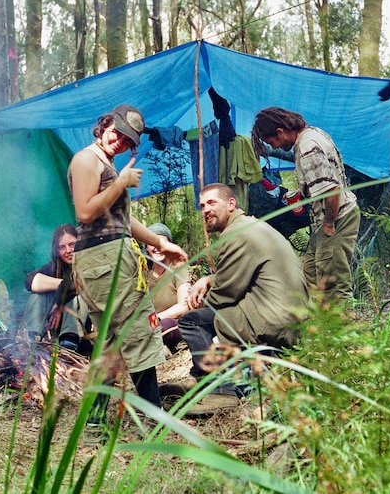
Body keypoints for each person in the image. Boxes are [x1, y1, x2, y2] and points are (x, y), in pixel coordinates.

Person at [68, 104, 188, 443]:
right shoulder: (86, 160)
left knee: (112, 342)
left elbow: (122, 221)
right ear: (105, 124)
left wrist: (160, 243)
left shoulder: (105, 163)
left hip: (108, 256)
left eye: (127, 139)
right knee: (138, 330)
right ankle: (154, 420)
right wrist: (120, 182)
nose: (119, 140)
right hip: (104, 258)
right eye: (116, 131)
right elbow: (86, 211)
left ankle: (93, 425)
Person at [177, 183, 309, 415]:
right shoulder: (251, 225)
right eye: (202, 206)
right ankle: (199, 377)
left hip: (273, 321)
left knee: (193, 321)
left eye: (212, 203)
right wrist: (209, 279)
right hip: (292, 317)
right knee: (210, 315)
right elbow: (240, 274)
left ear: (231, 204)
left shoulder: (233, 235)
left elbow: (226, 294)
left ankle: (222, 392)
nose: (206, 209)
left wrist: (195, 300)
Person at [251, 107, 361, 303]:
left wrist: (328, 224)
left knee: (333, 284)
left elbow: (332, 190)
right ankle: (318, 323)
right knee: (310, 271)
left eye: (272, 142)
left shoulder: (307, 147)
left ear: (280, 131)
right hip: (327, 218)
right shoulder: (314, 133)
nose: (274, 146)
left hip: (337, 218)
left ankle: (346, 327)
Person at [22, 224, 90, 353]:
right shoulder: (55, 267)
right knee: (38, 295)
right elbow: (30, 281)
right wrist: (63, 285)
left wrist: (60, 305)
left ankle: (69, 343)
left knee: (79, 297)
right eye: (62, 247)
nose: (68, 250)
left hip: (80, 331)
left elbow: (83, 286)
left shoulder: (88, 263)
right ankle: (31, 339)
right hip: (53, 327)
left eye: (72, 244)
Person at [143, 222, 191, 353]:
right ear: (146, 247)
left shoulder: (178, 268)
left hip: (172, 325)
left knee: (164, 326)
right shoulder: (143, 276)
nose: (157, 247)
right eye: (153, 243)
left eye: (162, 242)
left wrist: (154, 320)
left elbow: (184, 306)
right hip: (149, 328)